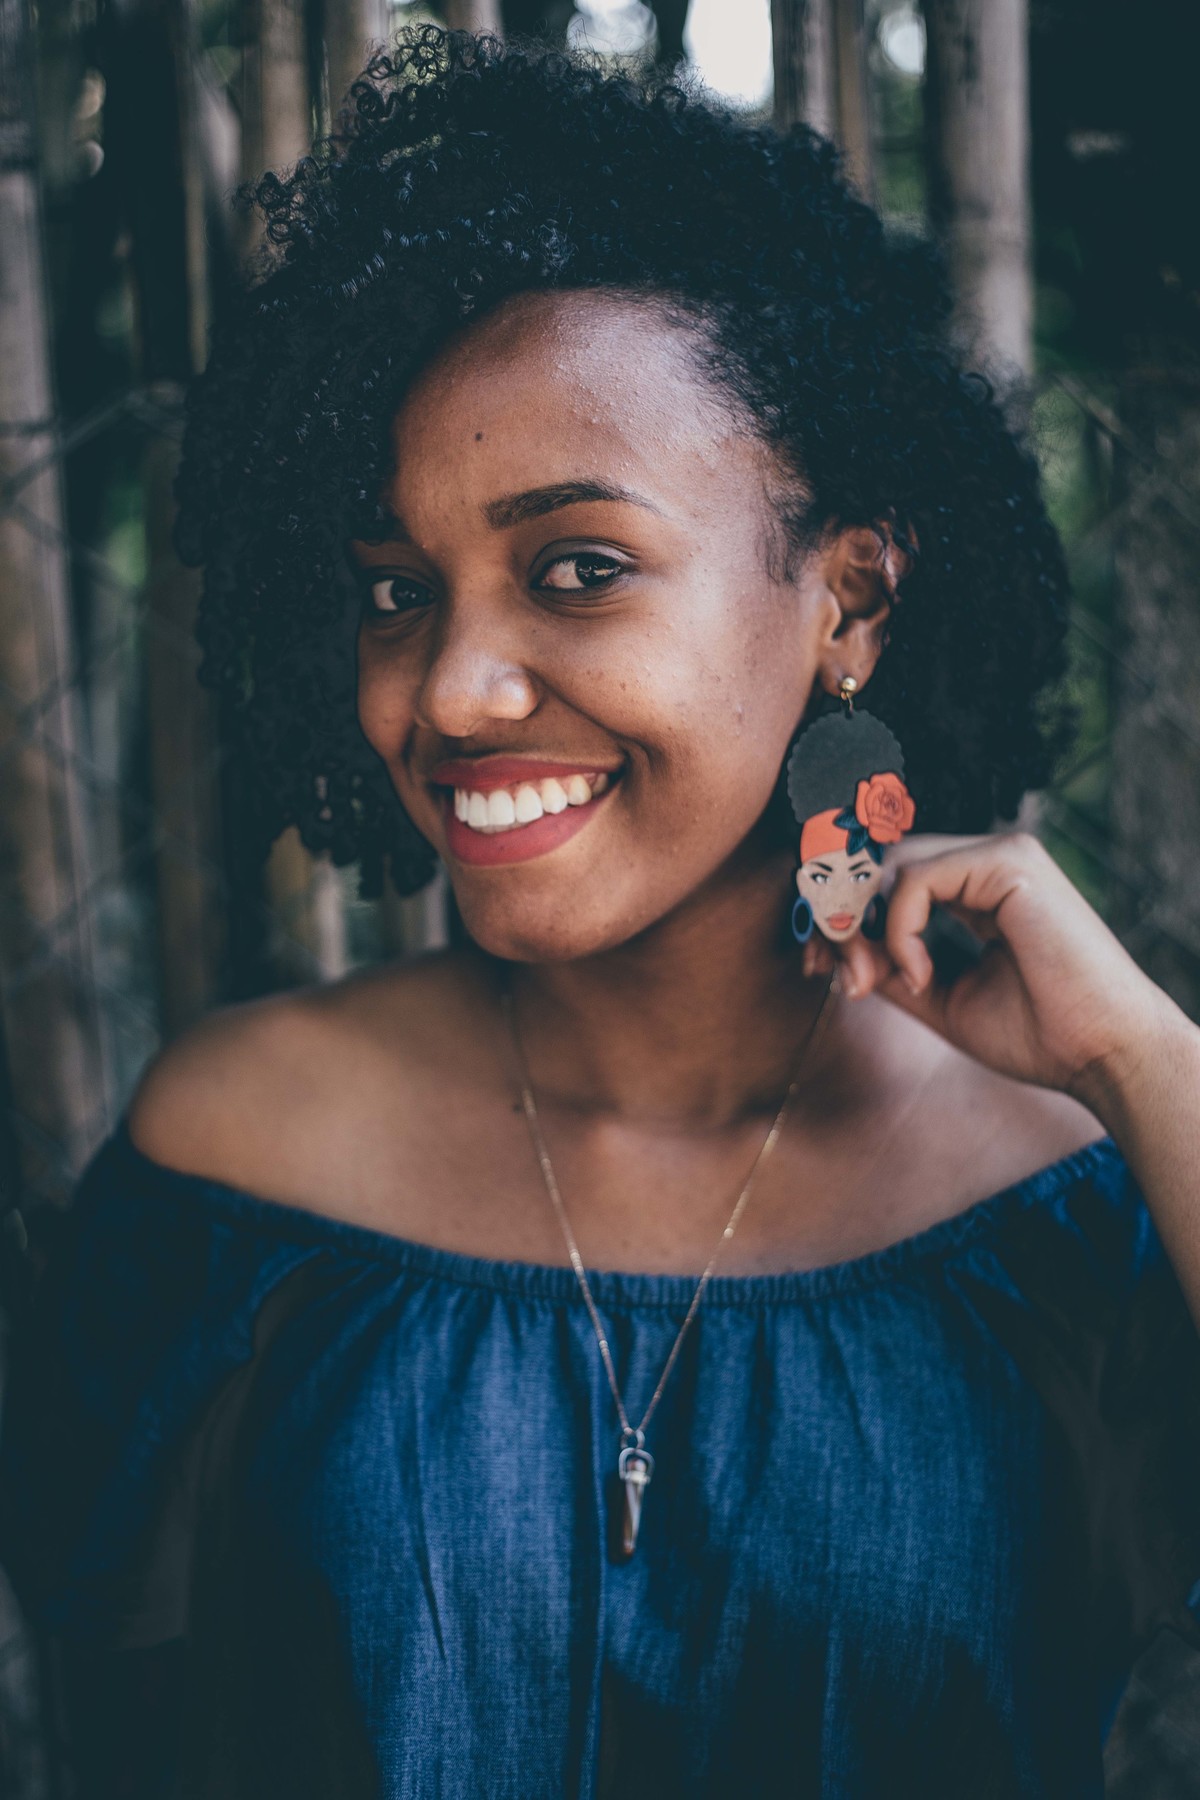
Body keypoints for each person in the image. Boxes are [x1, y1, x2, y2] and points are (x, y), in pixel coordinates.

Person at [3, 26, 1200, 1798]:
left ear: (849, 601)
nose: (455, 689)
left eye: (578, 568)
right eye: (399, 593)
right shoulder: (239, 1161)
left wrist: (1140, 1058)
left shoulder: (1082, 1192)